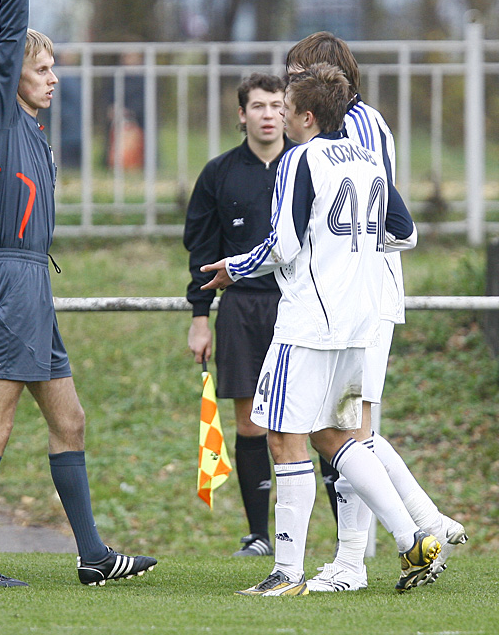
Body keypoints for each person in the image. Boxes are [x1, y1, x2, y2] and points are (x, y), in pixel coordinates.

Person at [0, 0, 156, 588]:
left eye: (53, 67)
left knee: (70, 421)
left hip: (33, 284)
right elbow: (11, 32)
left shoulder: (32, 132)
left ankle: (93, 556)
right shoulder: (2, 116)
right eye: (42, 69)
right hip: (12, 282)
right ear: (12, 77)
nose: (53, 77)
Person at [201, 64, 441, 595]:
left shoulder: (300, 159)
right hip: (360, 323)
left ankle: (287, 573)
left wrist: (234, 267)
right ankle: (412, 538)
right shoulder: (367, 158)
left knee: (283, 437)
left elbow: (284, 245)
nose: (281, 117)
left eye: (286, 109)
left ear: (307, 117)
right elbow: (405, 234)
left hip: (309, 322)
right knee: (335, 437)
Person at [285, 32, 467, 592]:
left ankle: (356, 560)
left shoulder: (350, 129)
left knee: (347, 430)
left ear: (324, 78)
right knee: (349, 428)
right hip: (354, 294)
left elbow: (385, 218)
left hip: (357, 296)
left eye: (297, 75)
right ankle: (425, 523)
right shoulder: (361, 125)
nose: (289, 87)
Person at [184, 73, 294, 557]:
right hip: (241, 308)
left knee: (315, 428)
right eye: (259, 106)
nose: (269, 114)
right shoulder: (219, 173)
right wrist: (199, 317)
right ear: (242, 114)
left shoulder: (306, 165)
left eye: (277, 105)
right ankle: (259, 537)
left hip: (299, 306)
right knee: (250, 424)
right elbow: (202, 250)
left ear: (289, 112)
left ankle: (338, 539)